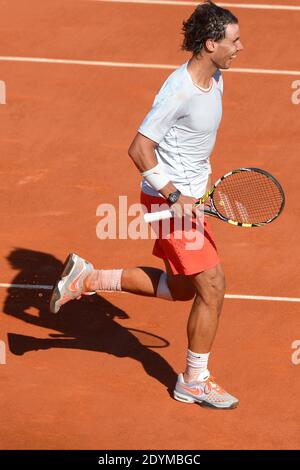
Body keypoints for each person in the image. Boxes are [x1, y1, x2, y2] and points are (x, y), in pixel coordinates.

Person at [50, 1, 243, 409]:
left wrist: (196, 193)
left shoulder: (218, 77)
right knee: (214, 286)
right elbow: (139, 148)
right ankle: (194, 379)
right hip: (170, 203)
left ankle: (88, 279)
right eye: (233, 40)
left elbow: (190, 144)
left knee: (180, 289)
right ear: (211, 44)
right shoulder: (179, 90)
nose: (239, 47)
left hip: (190, 201)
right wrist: (176, 197)